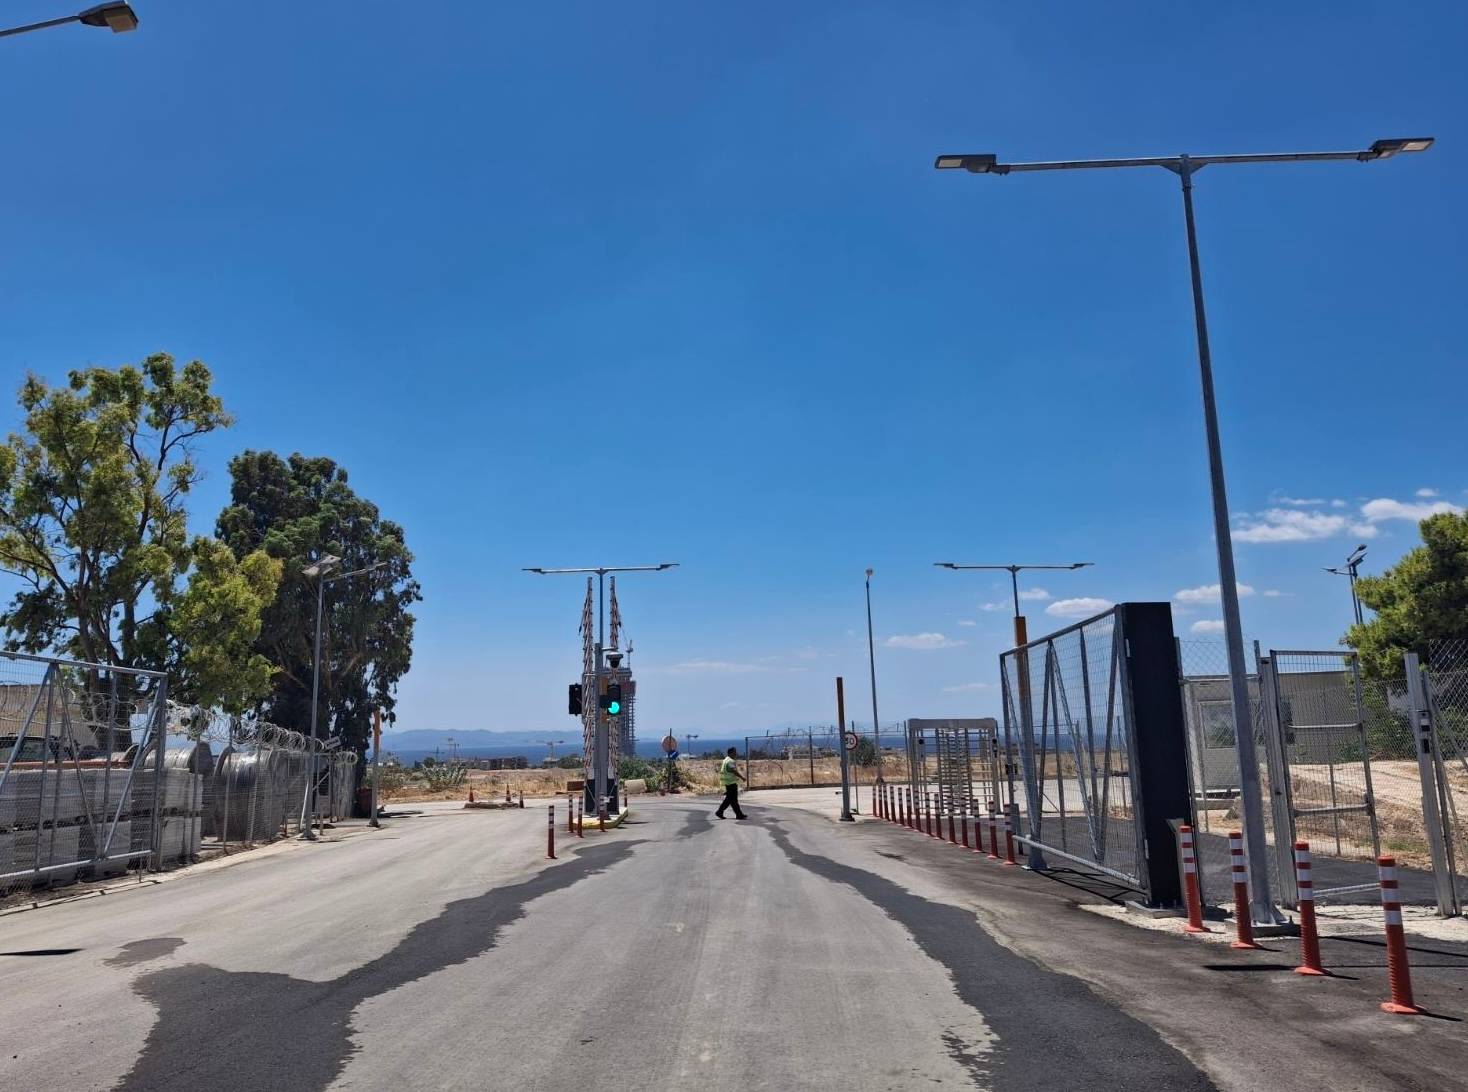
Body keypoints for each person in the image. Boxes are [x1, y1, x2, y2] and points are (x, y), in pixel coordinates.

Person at [714, 746, 748, 820]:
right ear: (731, 753)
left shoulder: (725, 760)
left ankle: (738, 814)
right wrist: (742, 777)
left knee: (732, 800)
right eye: (734, 752)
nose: (736, 754)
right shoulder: (730, 761)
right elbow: (733, 770)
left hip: (727, 782)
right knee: (731, 799)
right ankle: (720, 812)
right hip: (731, 783)